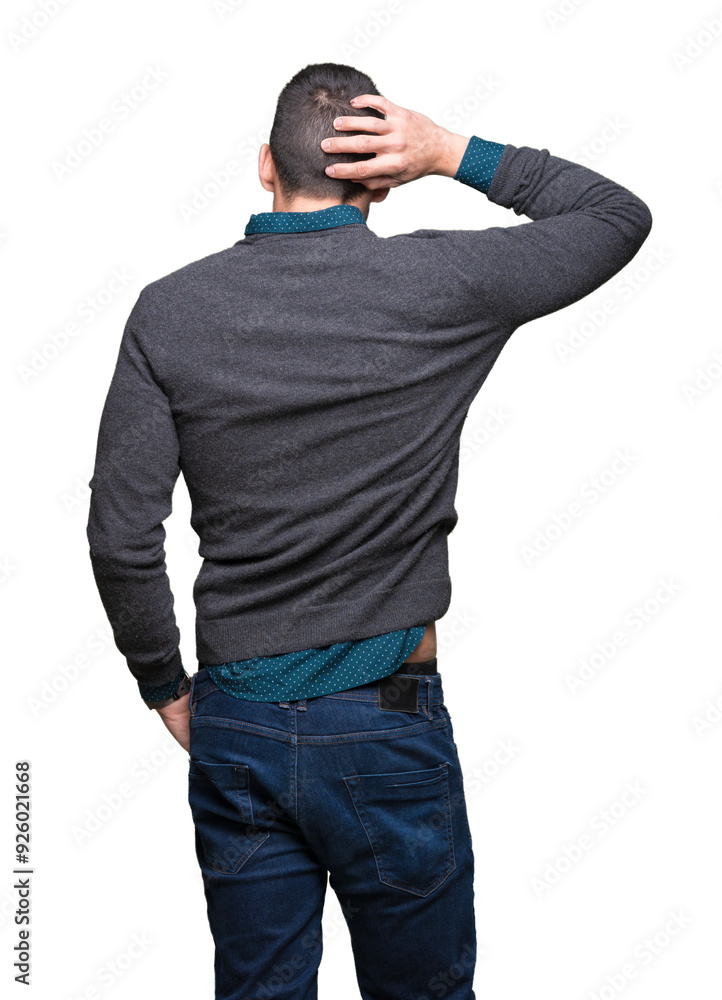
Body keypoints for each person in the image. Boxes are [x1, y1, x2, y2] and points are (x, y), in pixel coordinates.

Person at [86, 62, 652, 1000]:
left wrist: (163, 683)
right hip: (383, 720)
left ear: (264, 165)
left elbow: (120, 535)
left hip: (234, 717)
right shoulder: (443, 281)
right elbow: (614, 216)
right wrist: (450, 151)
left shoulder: (169, 309)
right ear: (380, 179)